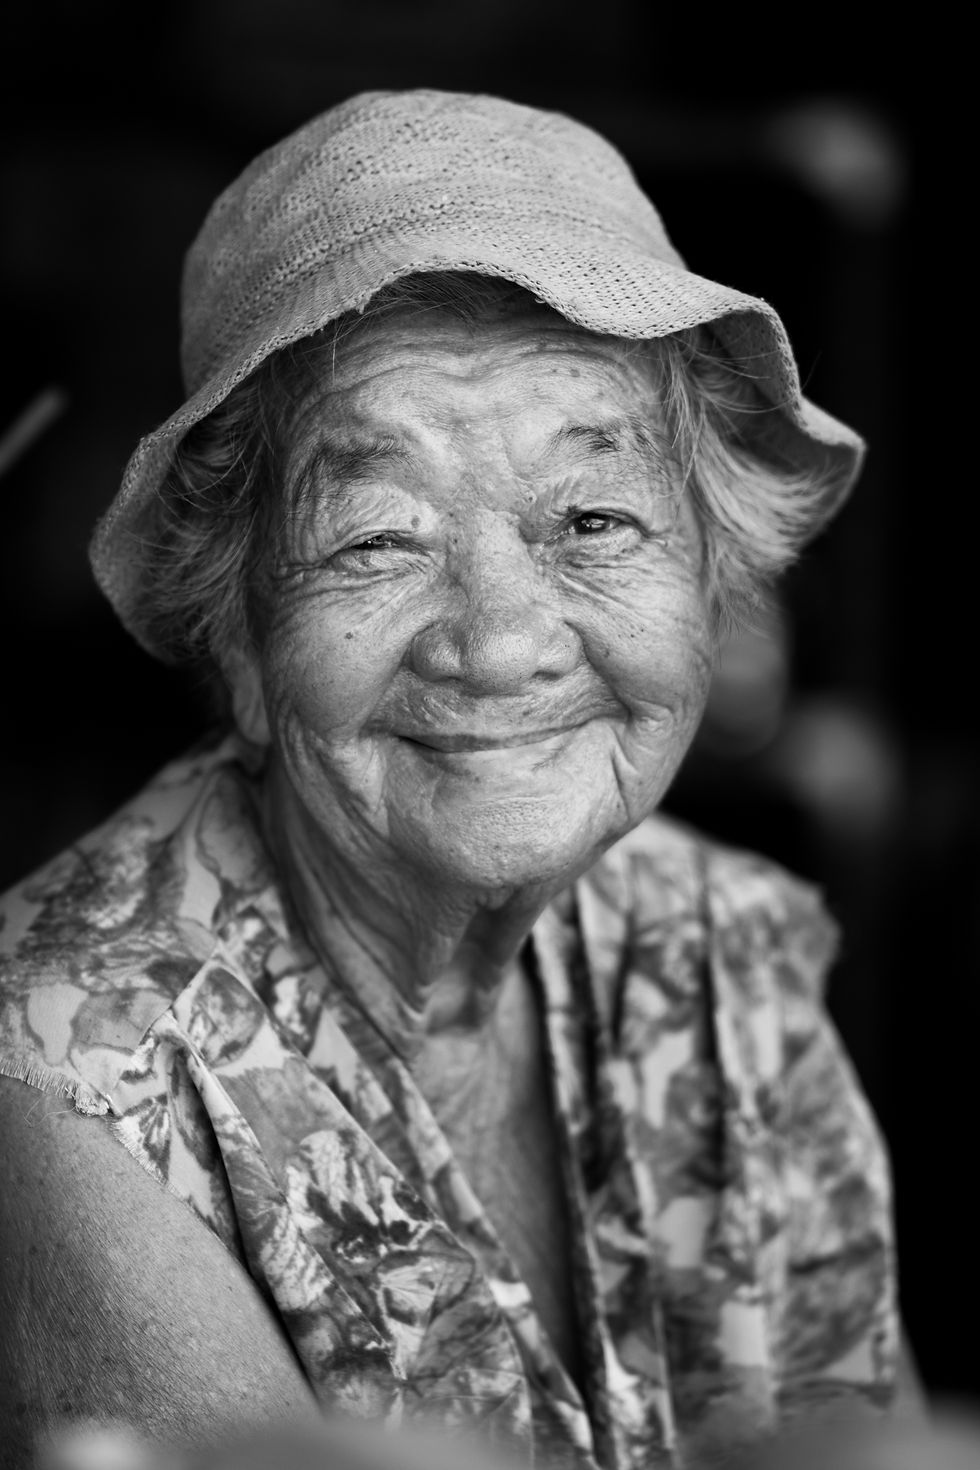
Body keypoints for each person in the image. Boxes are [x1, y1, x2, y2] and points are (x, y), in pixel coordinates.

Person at [0, 90, 911, 1469]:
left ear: (715, 596)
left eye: (593, 518)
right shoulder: (69, 1077)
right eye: (376, 536)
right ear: (237, 634)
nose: (498, 641)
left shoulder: (726, 954)